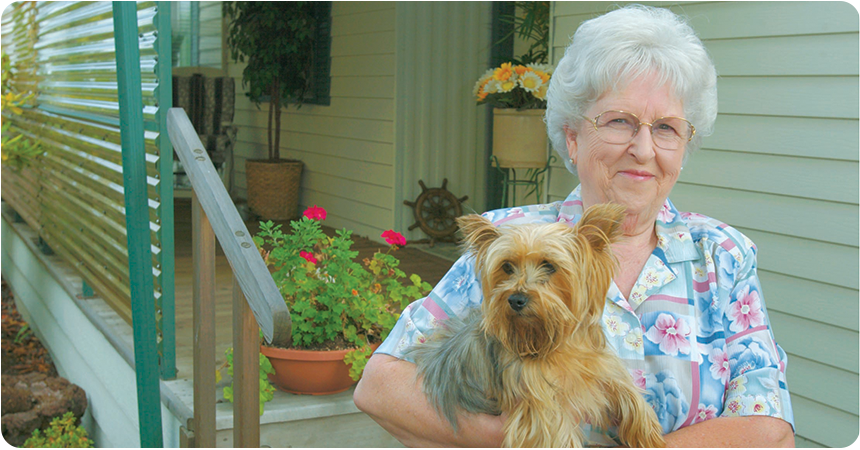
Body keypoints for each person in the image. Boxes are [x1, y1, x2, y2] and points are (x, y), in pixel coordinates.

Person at [354, 5, 795, 447]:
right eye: (619, 121)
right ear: (572, 136)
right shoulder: (506, 238)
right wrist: (521, 437)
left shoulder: (722, 255)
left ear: (684, 144)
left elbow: (768, 427)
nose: (643, 149)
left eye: (666, 128)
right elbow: (380, 387)